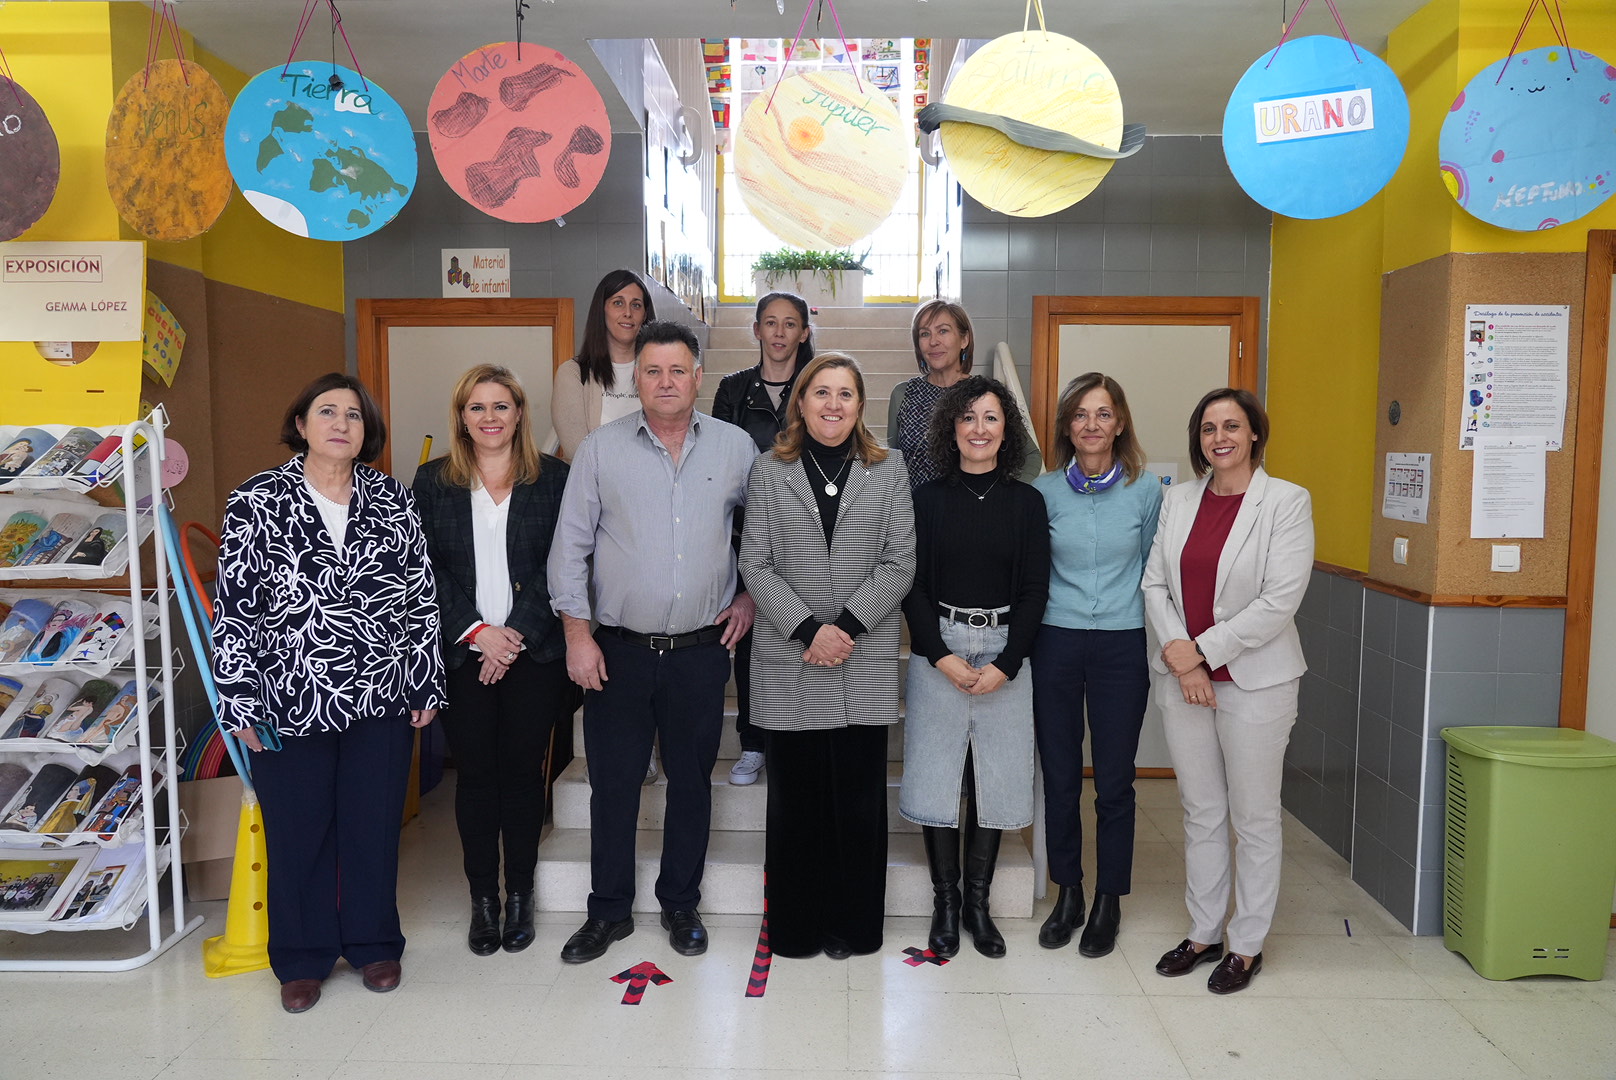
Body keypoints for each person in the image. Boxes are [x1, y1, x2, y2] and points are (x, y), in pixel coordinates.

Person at [212, 373, 443, 1015]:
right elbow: (234, 608)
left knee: (373, 825)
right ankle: (302, 956)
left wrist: (426, 678)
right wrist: (239, 700)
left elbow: (419, 596)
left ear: (367, 431)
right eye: (327, 411)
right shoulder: (256, 500)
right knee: (298, 831)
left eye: (354, 415)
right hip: (288, 696)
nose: (341, 423)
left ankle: (374, 943)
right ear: (302, 424)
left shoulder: (392, 498)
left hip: (381, 693)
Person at [548, 320, 756, 964]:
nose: (666, 382)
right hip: (617, 651)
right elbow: (569, 548)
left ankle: (680, 903)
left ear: (698, 377)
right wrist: (577, 636)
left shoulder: (736, 448)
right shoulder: (599, 451)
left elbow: (764, 535)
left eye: (677, 371)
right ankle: (608, 911)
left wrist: (750, 596)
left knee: (691, 782)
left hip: (700, 651)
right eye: (652, 371)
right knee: (613, 786)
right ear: (635, 379)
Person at [740, 352, 914, 958]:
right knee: (795, 806)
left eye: (845, 394)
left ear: (861, 405)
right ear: (802, 402)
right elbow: (754, 562)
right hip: (790, 659)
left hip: (861, 658)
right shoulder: (770, 469)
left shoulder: (890, 468)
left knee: (859, 807)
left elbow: (901, 562)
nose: (833, 404)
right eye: (821, 393)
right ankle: (796, 929)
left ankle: (854, 928)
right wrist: (808, 629)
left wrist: (846, 627)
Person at [1142, 387, 1313, 995]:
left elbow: (1278, 600)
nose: (1220, 438)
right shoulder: (1178, 500)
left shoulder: (1286, 502)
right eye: (1209, 428)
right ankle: (1203, 932)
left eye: (1232, 426)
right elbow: (1155, 584)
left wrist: (1203, 652)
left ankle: (1246, 945)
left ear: (1254, 433)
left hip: (1256, 683)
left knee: (1255, 817)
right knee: (1202, 811)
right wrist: (1183, 661)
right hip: (1183, 682)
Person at [412, 364, 571, 957]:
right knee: (476, 777)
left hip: (534, 653)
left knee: (523, 775)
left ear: (519, 413)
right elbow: (423, 567)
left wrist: (514, 635)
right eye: (476, 407)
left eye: (500, 405)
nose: (489, 417)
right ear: (461, 417)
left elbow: (565, 562)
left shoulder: (554, 478)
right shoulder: (432, 482)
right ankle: (484, 899)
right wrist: (480, 633)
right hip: (463, 654)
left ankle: (521, 894)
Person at [900, 376, 1047, 959]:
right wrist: (939, 653)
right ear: (951, 428)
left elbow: (1035, 590)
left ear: (1006, 431)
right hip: (939, 646)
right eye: (967, 418)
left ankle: (978, 907)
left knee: (997, 773)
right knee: (937, 774)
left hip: (1006, 649)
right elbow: (910, 584)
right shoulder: (926, 499)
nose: (979, 429)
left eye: (990, 417)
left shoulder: (1026, 503)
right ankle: (946, 903)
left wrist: (1007, 663)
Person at [1030, 373, 1163, 958]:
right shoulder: (1044, 491)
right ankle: (1070, 891)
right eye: (1080, 414)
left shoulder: (1145, 491)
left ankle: (1110, 898)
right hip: (1055, 642)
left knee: (1114, 781)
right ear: (1066, 425)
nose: (1091, 424)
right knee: (1060, 777)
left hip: (1119, 645)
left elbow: (1155, 571)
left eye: (1103, 413)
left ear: (1120, 423)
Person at [710, 291, 815, 786]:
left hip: (804, 531)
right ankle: (753, 743)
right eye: (770, 322)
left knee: (800, 635)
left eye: (789, 323)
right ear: (756, 330)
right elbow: (719, 460)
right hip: (742, 531)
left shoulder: (816, 385)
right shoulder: (733, 390)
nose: (778, 332)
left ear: (803, 332)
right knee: (751, 640)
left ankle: (794, 740)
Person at [888, 300, 1041, 489]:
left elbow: (1031, 455)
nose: (933, 341)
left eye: (943, 331)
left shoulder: (984, 393)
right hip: (913, 505)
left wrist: (1004, 494)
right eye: (925, 334)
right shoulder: (903, 394)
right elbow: (892, 463)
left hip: (970, 504)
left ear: (964, 339)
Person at [551, 269, 656, 461]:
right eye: (618, 303)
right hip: (596, 480)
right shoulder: (574, 373)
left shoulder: (660, 373)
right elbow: (579, 453)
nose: (628, 313)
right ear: (602, 310)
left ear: (645, 314)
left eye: (636, 305)